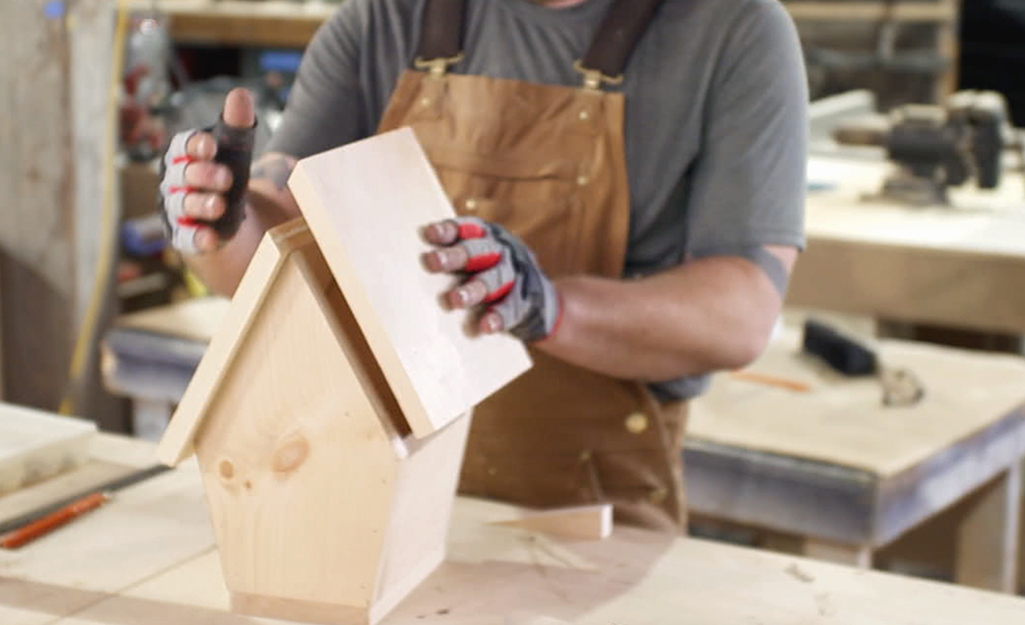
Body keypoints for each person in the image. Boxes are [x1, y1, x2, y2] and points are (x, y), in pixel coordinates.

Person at [158, 0, 808, 533]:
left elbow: (741, 311)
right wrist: (220, 218)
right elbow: (267, 258)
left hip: (587, 522)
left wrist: (548, 307)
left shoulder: (733, 30)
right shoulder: (384, 18)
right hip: (370, 504)